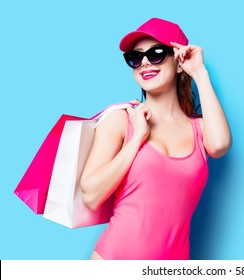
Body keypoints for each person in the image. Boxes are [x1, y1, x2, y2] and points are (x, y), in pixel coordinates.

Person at [80, 17, 231, 260]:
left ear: (179, 61)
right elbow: (90, 196)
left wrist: (200, 73)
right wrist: (137, 138)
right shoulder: (121, 119)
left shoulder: (200, 129)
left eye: (157, 53)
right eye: (136, 57)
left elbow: (220, 145)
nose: (145, 63)